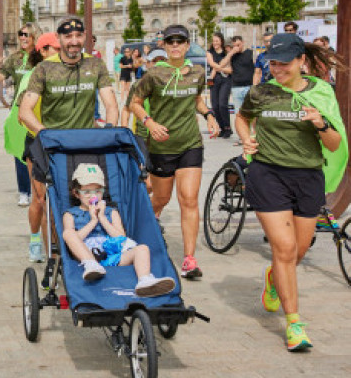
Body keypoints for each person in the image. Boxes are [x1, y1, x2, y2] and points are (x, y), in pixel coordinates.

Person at [236, 33, 345, 351]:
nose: (278, 68)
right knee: (283, 249)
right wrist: (246, 138)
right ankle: (294, 324)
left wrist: (320, 123)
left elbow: (335, 144)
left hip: (308, 177)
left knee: (297, 251)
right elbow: (243, 118)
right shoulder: (261, 92)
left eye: (284, 63)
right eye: (273, 62)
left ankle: (273, 278)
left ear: (301, 62)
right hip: (267, 173)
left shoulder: (322, 92)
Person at [19, 17, 119, 283]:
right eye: (67, 37)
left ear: (84, 37)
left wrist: (110, 129)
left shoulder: (95, 64)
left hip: (85, 143)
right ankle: (56, 255)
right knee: (46, 201)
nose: (73, 42)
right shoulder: (44, 69)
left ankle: (86, 248)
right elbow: (25, 111)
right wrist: (45, 134)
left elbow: (110, 102)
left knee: (86, 199)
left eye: (78, 36)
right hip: (51, 144)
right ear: (60, 40)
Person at [130, 25, 220, 279]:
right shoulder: (153, 74)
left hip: (190, 144)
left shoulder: (197, 72)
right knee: (161, 198)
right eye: (170, 42)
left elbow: (196, 99)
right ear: (164, 46)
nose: (175, 46)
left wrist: (209, 115)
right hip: (161, 146)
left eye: (180, 41)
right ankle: (140, 222)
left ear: (188, 45)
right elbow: (135, 103)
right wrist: (149, 122)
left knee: (189, 199)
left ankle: (190, 260)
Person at [61, 163, 176, 297]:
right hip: (86, 255)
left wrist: (102, 218)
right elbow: (72, 239)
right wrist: (93, 221)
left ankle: (145, 280)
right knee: (68, 233)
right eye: (86, 192)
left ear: (103, 191)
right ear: (76, 193)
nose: (93, 196)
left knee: (142, 248)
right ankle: (91, 264)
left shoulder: (111, 212)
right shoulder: (71, 214)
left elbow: (121, 237)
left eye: (97, 191)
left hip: (112, 254)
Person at [12, 32, 60, 261]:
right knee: (41, 200)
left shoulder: (69, 74)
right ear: (42, 51)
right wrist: (43, 130)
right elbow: (22, 115)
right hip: (38, 141)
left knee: (61, 199)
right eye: (54, 49)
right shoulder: (33, 76)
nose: (59, 55)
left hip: (65, 141)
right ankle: (38, 241)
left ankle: (58, 245)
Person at [0, 24, 39, 206]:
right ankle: (24, 190)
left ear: (35, 36)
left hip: (39, 109)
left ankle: (39, 188)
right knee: (20, 151)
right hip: (18, 109)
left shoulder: (41, 57)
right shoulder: (15, 59)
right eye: (20, 34)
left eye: (26, 34)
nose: (23, 37)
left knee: (38, 151)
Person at [228, 36, 255, 140]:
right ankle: (243, 138)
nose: (237, 47)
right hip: (236, 87)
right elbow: (221, 64)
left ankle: (254, 135)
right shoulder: (233, 55)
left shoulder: (250, 53)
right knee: (239, 115)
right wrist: (231, 53)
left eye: (238, 45)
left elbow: (257, 69)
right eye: (234, 46)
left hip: (249, 86)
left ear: (243, 43)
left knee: (252, 113)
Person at [207, 32, 232, 138]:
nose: (215, 43)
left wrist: (219, 68)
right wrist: (221, 66)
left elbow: (231, 70)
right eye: (213, 41)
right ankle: (222, 127)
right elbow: (212, 64)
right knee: (215, 106)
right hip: (213, 80)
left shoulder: (227, 53)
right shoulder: (209, 52)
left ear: (221, 41)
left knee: (222, 104)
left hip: (225, 80)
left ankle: (227, 128)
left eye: (217, 41)